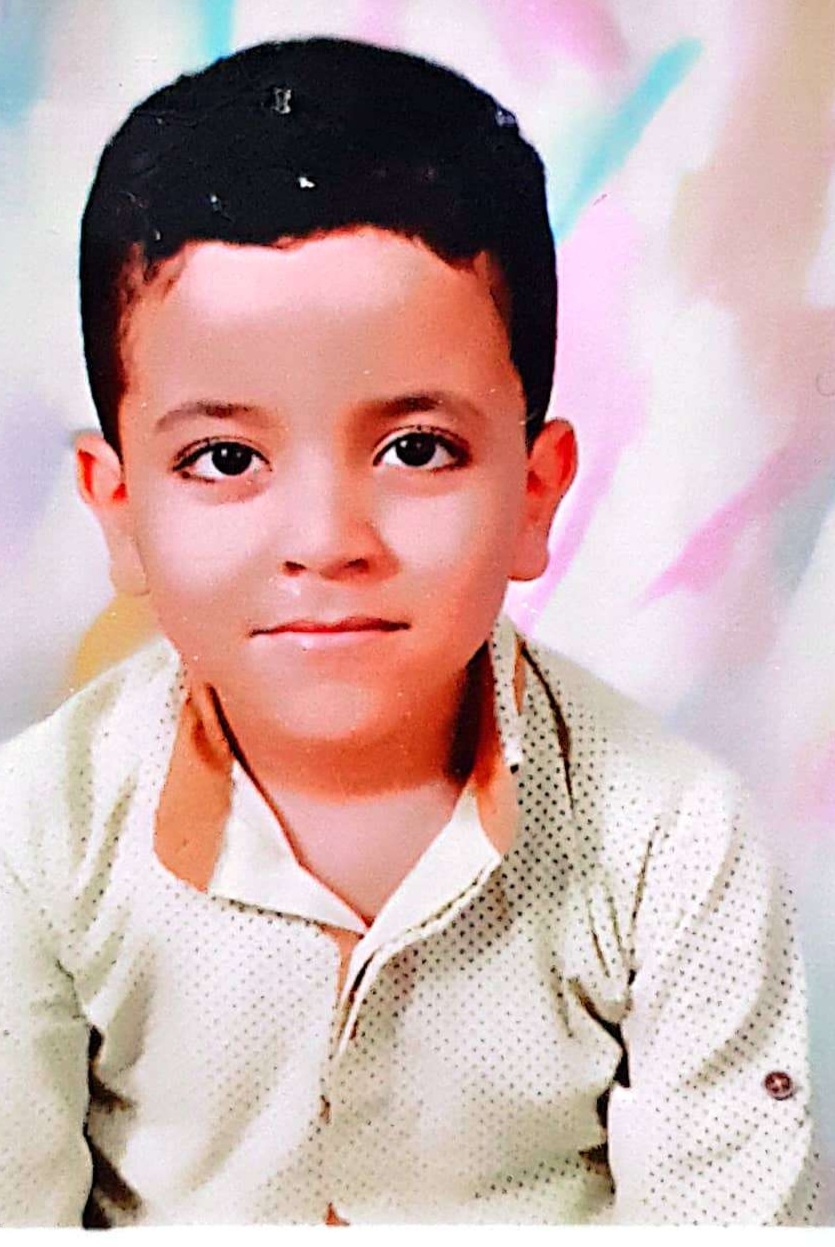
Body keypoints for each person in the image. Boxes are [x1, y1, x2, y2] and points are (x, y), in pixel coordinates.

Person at [0, 36, 821, 1226]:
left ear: (535, 493)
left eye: (416, 448)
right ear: (119, 508)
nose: (325, 538)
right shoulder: (36, 838)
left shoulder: (671, 841)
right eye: (224, 458)